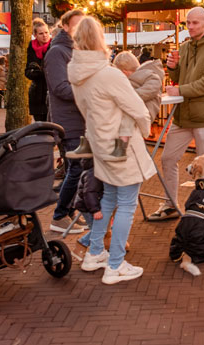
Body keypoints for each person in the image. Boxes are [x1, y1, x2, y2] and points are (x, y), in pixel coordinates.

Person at [68, 16, 153, 284]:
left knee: (110, 198)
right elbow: (138, 108)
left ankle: (95, 252)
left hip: (99, 142)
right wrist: (146, 129)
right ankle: (115, 265)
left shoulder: (77, 76)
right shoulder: (109, 73)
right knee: (126, 203)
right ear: (100, 40)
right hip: (121, 142)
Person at [151, 7, 204, 221]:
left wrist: (180, 90)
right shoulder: (184, 47)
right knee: (167, 158)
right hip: (183, 115)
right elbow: (180, 76)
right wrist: (172, 67)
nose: (190, 27)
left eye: (194, 23)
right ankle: (171, 203)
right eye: (188, 23)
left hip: (203, 116)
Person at [44, 9, 87, 234]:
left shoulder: (75, 50)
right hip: (67, 121)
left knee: (75, 167)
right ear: (66, 27)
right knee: (77, 168)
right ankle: (59, 215)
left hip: (79, 119)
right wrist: (89, 90)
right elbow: (60, 87)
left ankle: (67, 211)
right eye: (77, 25)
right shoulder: (58, 52)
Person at [113, 51, 165, 122]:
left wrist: (129, 97)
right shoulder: (146, 74)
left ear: (124, 72)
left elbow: (153, 87)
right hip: (139, 116)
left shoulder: (148, 74)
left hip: (141, 116)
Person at [26, 18, 52, 122]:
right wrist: (39, 72)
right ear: (35, 35)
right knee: (40, 127)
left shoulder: (53, 46)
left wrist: (38, 71)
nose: (45, 35)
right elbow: (28, 72)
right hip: (36, 94)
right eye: (41, 33)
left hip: (50, 92)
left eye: (46, 32)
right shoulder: (31, 47)